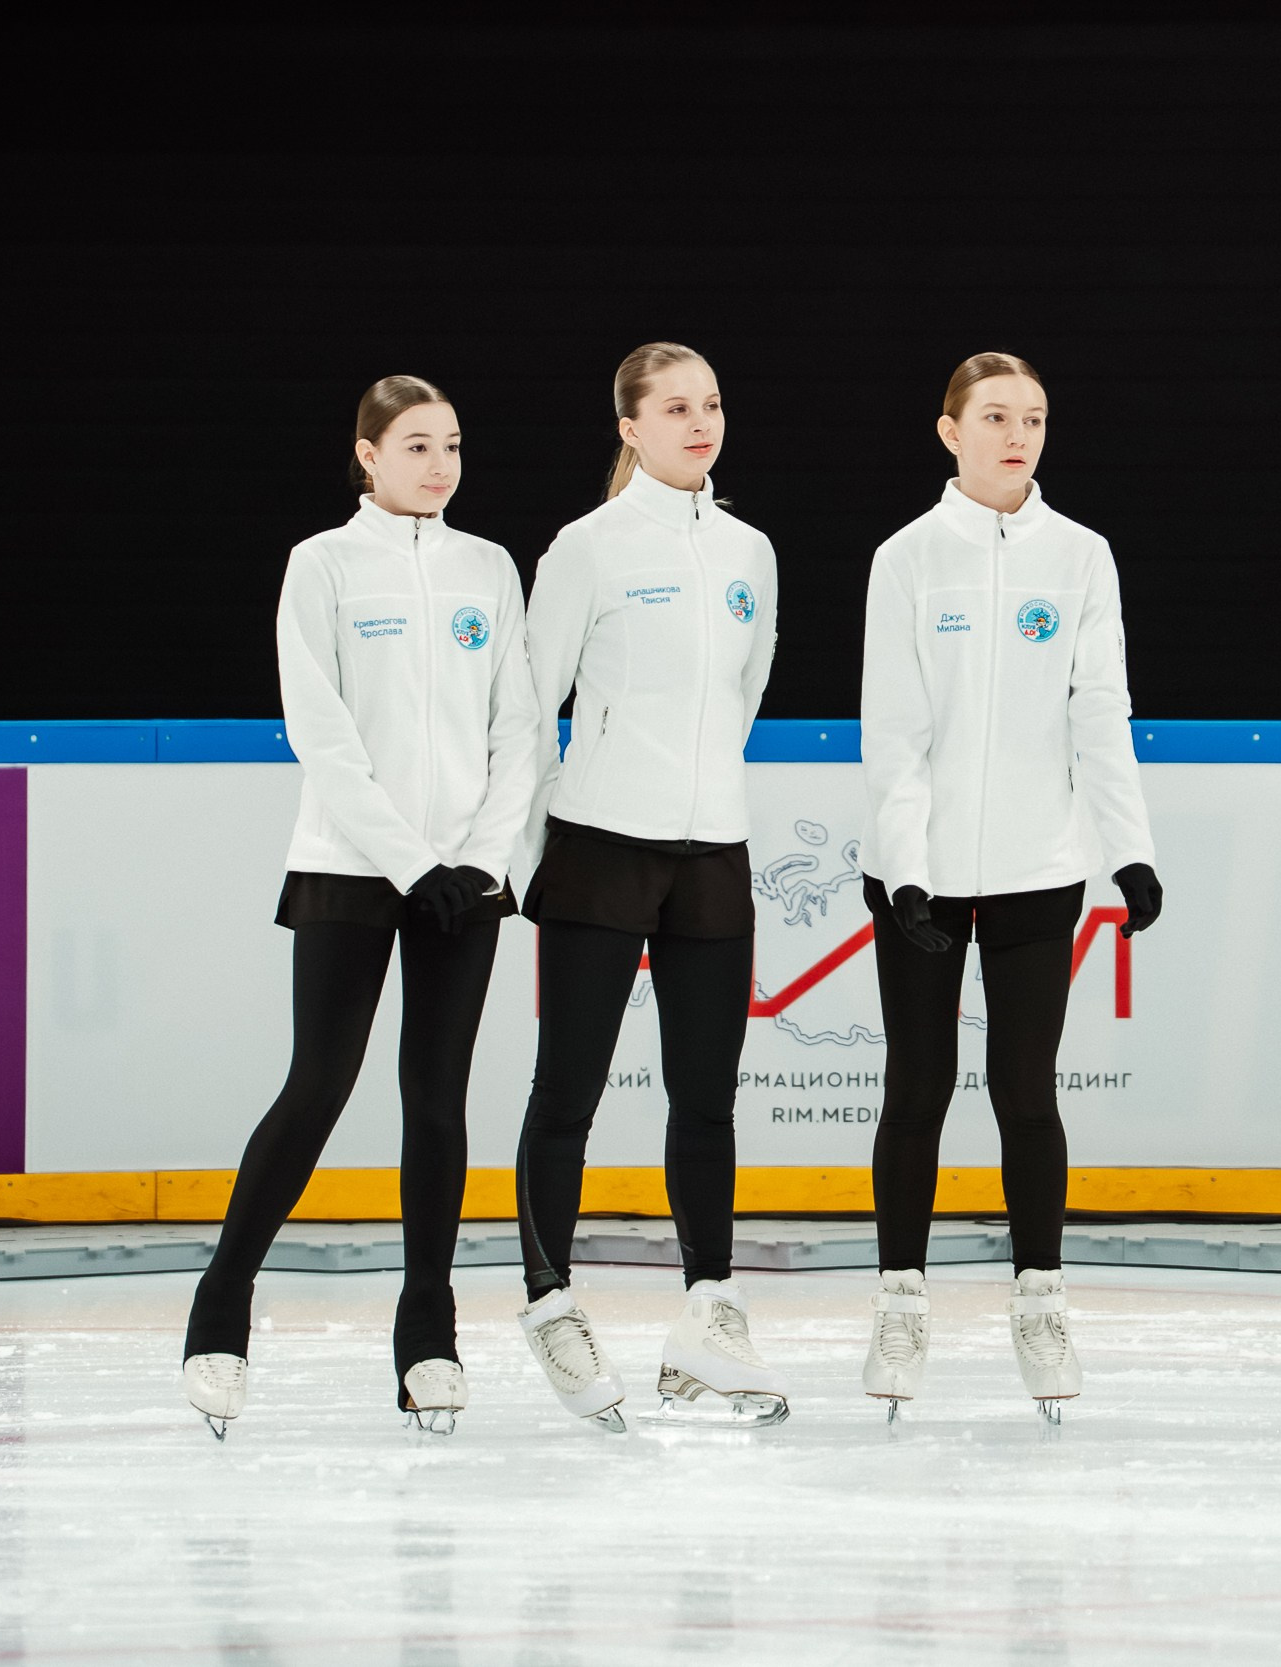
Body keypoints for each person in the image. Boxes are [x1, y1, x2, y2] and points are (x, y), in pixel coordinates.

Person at [181, 375, 544, 1439]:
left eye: (454, 444)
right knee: (318, 1086)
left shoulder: (487, 567)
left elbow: (518, 727)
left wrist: (477, 859)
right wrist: (402, 860)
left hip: (465, 878)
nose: (440, 463)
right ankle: (222, 1302)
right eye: (418, 444)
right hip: (349, 864)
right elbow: (321, 730)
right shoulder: (322, 564)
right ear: (368, 454)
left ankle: (428, 1330)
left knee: (438, 1099)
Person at [855, 351, 1163, 1424]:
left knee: (1025, 1089)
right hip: (920, 876)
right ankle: (901, 1293)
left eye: (1031, 416)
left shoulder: (1080, 556)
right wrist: (906, 870)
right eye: (993, 415)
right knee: (919, 1084)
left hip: (1040, 865)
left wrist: (1130, 849)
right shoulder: (906, 558)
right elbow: (892, 733)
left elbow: (1100, 708)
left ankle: (1039, 1294)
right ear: (949, 430)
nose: (1015, 433)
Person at [508, 341, 787, 1430]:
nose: (699, 421)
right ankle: (549, 1303)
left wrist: (705, 784)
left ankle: (708, 1311)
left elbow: (747, 684)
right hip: (596, 845)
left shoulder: (750, 549)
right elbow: (533, 702)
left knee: (706, 1098)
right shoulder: (585, 547)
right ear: (627, 424)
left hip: (713, 848)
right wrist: (517, 851)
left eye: (711, 402)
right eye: (674, 406)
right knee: (566, 1093)